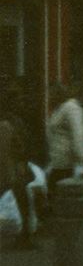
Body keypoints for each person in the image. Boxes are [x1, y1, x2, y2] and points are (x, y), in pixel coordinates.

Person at [1, 86, 33, 248]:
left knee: (20, 200)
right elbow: (20, 146)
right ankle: (24, 234)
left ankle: (24, 234)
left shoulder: (11, 121)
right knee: (21, 200)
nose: (21, 102)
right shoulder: (13, 121)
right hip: (14, 166)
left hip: (12, 166)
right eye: (18, 100)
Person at [46, 82, 83, 191]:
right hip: (58, 162)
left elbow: (77, 133)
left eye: (51, 94)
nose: (49, 97)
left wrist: (80, 160)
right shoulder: (59, 109)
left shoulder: (71, 108)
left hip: (68, 165)